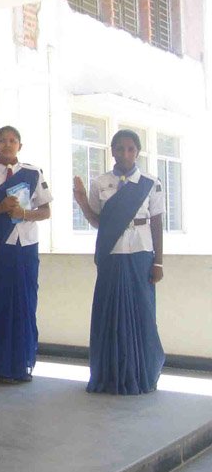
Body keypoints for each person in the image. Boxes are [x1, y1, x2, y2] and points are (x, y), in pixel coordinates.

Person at [73, 129, 165, 395]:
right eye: (120, 148)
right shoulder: (100, 183)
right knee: (109, 313)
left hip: (141, 253)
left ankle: (142, 374)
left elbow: (157, 223)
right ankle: (110, 375)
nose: (125, 153)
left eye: (131, 149)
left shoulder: (150, 182)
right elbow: (98, 222)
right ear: (112, 151)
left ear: (137, 152)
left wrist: (158, 262)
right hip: (111, 253)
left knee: (142, 312)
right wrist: (82, 201)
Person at [0, 126, 52, 383]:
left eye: (12, 140)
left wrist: (24, 214)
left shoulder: (33, 173)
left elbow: (46, 211)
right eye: (2, 140)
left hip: (26, 245)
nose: (7, 144)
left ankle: (23, 364)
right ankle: (0, 366)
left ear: (20, 146)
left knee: (26, 302)